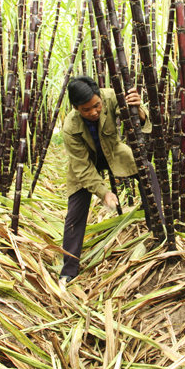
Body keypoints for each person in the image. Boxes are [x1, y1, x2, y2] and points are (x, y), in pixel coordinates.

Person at [59, 76, 154, 284]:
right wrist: (104, 193)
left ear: (100, 98)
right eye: (86, 110)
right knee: (75, 211)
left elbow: (139, 121)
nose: (93, 112)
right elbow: (82, 167)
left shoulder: (112, 97)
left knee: (147, 171)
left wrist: (137, 108)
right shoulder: (70, 126)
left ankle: (157, 229)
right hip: (86, 162)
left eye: (96, 106)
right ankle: (69, 269)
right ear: (76, 108)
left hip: (113, 151)